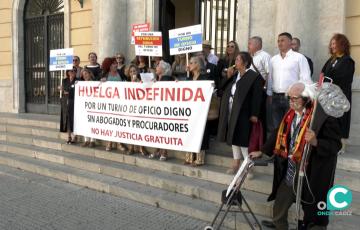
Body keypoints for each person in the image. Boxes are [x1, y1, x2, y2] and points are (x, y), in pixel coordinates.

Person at [250, 82, 342, 230]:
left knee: (313, 207)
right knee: (281, 197)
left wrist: (316, 141)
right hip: (292, 165)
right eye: (289, 98)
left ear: (306, 98)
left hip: (311, 168)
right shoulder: (290, 114)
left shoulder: (322, 117)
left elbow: (335, 145)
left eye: (295, 98)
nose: (291, 101)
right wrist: (262, 151)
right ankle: (279, 225)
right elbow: (277, 133)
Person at [217, 52, 264, 174]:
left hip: (245, 112)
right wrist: (228, 76)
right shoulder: (235, 75)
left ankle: (249, 166)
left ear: (245, 62)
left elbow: (257, 97)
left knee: (243, 140)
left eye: (238, 59)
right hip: (232, 111)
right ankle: (236, 163)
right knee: (233, 137)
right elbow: (221, 88)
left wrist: (255, 114)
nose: (235, 62)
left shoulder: (254, 77)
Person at [268, 32, 312, 132]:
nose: (279, 43)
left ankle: (290, 147)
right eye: (278, 41)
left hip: (292, 98)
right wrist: (269, 94)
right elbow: (270, 78)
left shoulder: (299, 58)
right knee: (277, 128)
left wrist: (301, 97)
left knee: (291, 127)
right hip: (276, 97)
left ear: (290, 42)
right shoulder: (273, 60)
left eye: (282, 40)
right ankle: (278, 147)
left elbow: (306, 79)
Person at [322, 33, 355, 153]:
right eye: (331, 44)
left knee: (340, 119)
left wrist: (329, 79)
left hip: (340, 97)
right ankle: (331, 142)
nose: (332, 46)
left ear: (342, 44)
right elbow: (323, 72)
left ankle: (341, 145)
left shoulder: (348, 61)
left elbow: (343, 78)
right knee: (330, 120)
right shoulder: (331, 60)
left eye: (334, 44)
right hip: (328, 96)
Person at [183, 56, 210, 166]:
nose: (189, 64)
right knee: (190, 131)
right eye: (189, 62)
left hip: (201, 110)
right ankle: (189, 157)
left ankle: (199, 158)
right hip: (191, 110)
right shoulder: (189, 78)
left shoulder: (205, 77)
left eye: (192, 62)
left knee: (201, 132)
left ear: (198, 65)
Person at [100, 57, 127, 152]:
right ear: (109, 66)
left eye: (116, 63)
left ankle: (119, 143)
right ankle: (110, 142)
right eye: (113, 64)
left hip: (120, 103)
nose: (116, 65)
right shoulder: (105, 75)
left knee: (119, 123)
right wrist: (101, 82)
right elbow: (97, 86)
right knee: (110, 123)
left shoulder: (121, 73)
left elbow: (127, 83)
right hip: (109, 104)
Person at [149, 61, 174, 161]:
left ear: (163, 69)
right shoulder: (158, 79)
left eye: (158, 65)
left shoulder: (166, 79)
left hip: (164, 109)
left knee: (163, 130)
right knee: (158, 130)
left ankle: (164, 151)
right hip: (157, 108)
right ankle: (157, 150)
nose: (156, 66)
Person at [248, 36, 272, 139]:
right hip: (250, 91)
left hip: (260, 91)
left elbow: (269, 74)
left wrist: (267, 89)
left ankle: (261, 141)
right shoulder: (250, 57)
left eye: (250, 44)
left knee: (260, 116)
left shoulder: (265, 56)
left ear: (257, 44)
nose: (248, 46)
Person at [126, 64, 149, 156]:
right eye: (131, 71)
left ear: (137, 72)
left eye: (134, 71)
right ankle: (131, 147)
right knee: (131, 128)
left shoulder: (142, 81)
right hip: (131, 108)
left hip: (140, 108)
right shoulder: (126, 82)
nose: (132, 73)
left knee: (140, 127)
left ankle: (141, 147)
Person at [59, 66, 77, 144]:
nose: (71, 72)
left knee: (75, 119)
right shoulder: (64, 80)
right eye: (70, 71)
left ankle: (75, 136)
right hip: (65, 101)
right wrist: (61, 89)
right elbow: (63, 92)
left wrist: (68, 91)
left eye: (73, 71)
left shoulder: (78, 80)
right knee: (67, 119)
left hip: (74, 102)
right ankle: (69, 136)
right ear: (67, 72)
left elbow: (77, 91)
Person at [81, 69, 96, 148]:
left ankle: (92, 141)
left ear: (90, 74)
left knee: (92, 123)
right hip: (84, 106)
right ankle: (86, 140)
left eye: (86, 74)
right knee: (85, 123)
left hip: (93, 106)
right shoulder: (81, 84)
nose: (85, 75)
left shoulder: (95, 83)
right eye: (83, 74)